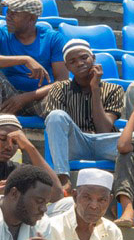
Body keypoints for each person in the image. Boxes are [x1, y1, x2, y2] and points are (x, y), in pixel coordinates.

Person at [0, 0, 65, 124]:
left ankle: (62, 141)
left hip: (40, 98)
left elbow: (62, 81)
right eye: (8, 12)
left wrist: (25, 98)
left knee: (62, 102)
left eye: (14, 13)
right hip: (8, 97)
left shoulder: (53, 39)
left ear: (31, 19)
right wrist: (25, 59)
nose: (8, 17)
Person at [40, 41, 126, 176]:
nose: (80, 63)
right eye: (72, 61)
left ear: (94, 58)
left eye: (84, 58)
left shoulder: (114, 89)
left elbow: (103, 129)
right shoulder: (59, 89)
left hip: (105, 144)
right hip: (75, 145)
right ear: (67, 67)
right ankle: (62, 176)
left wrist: (95, 88)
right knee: (56, 116)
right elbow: (56, 125)